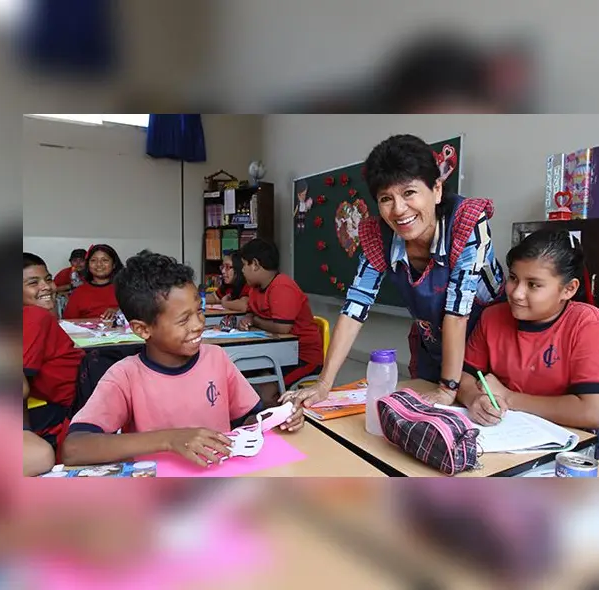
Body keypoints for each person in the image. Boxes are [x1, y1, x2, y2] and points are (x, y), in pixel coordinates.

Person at [288, 134, 504, 409]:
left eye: (409, 193)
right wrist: (323, 384)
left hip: (486, 349)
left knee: (487, 418)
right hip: (434, 347)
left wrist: (448, 389)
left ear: (436, 189)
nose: (399, 210)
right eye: (386, 198)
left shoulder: (466, 223)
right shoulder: (378, 236)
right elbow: (355, 305)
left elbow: (458, 313)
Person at [61, 251, 305, 468]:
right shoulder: (124, 376)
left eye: (199, 311)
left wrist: (277, 417)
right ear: (143, 329)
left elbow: (248, 417)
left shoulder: (216, 358)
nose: (199, 325)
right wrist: (170, 439)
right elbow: (74, 448)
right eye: (183, 320)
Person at [455, 230, 599, 430]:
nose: (517, 293)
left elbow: (593, 413)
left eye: (533, 285)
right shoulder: (492, 317)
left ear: (569, 289)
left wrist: (509, 397)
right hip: (503, 432)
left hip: (562, 440)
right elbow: (465, 376)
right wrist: (474, 398)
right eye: (513, 278)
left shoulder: (588, 325)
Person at [236, 239, 324, 397]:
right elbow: (251, 311)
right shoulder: (254, 288)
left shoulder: (282, 286)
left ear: (255, 264)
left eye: (244, 265)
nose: (242, 270)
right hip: (274, 353)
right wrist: (248, 318)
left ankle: (274, 418)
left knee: (266, 393)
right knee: (241, 379)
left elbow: (283, 328)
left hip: (301, 357)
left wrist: (255, 320)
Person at [23, 253, 84, 454]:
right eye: (33, 282)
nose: (46, 287)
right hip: (66, 412)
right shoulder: (34, 315)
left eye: (48, 279)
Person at [62, 244, 121, 320]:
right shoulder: (78, 292)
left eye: (105, 260)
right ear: (88, 265)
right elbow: (67, 323)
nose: (99, 264)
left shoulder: (125, 288)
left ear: (114, 264)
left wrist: (119, 311)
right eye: (93, 260)